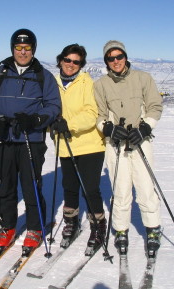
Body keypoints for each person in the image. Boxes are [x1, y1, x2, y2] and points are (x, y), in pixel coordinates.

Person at [0, 28, 61, 253]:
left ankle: (35, 227)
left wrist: (36, 119)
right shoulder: (1, 71)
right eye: (18, 47)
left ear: (33, 49)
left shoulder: (43, 74)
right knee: (5, 185)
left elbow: (54, 106)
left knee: (30, 184)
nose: (23, 52)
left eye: (27, 48)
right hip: (5, 136)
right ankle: (8, 226)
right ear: (12, 48)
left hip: (31, 138)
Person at [94, 40, 163, 258]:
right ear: (106, 61)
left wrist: (145, 127)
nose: (116, 61)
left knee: (145, 187)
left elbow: (155, 106)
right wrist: (108, 129)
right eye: (111, 58)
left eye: (119, 56)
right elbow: (99, 115)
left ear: (125, 56)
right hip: (116, 145)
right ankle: (120, 229)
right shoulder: (101, 84)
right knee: (121, 190)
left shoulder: (143, 78)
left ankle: (152, 229)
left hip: (141, 141)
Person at [50, 44, 107, 255]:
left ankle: (98, 227)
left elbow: (92, 113)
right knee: (70, 187)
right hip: (64, 144)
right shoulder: (52, 83)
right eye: (68, 60)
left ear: (81, 65)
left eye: (76, 62)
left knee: (90, 188)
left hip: (89, 144)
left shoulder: (86, 83)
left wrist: (69, 124)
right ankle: (71, 223)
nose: (71, 65)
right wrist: (50, 123)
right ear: (61, 60)